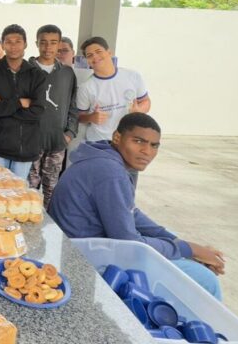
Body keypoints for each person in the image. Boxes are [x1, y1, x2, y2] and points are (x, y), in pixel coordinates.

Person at [49, 114, 225, 299]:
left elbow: (130, 212)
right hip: (83, 260)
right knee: (205, 278)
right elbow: (129, 243)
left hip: (79, 244)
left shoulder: (103, 157)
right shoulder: (110, 172)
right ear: (117, 137)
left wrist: (178, 242)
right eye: (138, 141)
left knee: (172, 241)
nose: (146, 151)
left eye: (154, 145)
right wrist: (189, 250)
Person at [77, 36, 151, 188]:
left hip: (129, 141)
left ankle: (124, 211)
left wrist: (139, 111)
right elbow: (79, 116)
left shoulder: (132, 76)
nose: (95, 57)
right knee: (102, 188)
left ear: (109, 52)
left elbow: (146, 101)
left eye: (98, 52)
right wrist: (92, 117)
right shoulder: (87, 87)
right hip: (101, 144)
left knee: (127, 187)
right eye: (89, 55)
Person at [0, 24, 45, 179]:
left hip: (25, 148)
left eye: (18, 41)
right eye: (9, 42)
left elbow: (37, 112)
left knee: (17, 198)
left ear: (25, 44)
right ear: (3, 44)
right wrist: (20, 103)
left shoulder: (37, 76)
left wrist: (1, 102)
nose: (13, 46)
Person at [27, 25, 78, 208]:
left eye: (53, 43)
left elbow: (73, 106)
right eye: (43, 43)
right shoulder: (26, 69)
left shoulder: (67, 73)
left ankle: (50, 231)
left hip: (57, 142)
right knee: (29, 190)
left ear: (59, 44)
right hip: (30, 142)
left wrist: (70, 133)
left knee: (52, 191)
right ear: (36, 44)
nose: (48, 48)